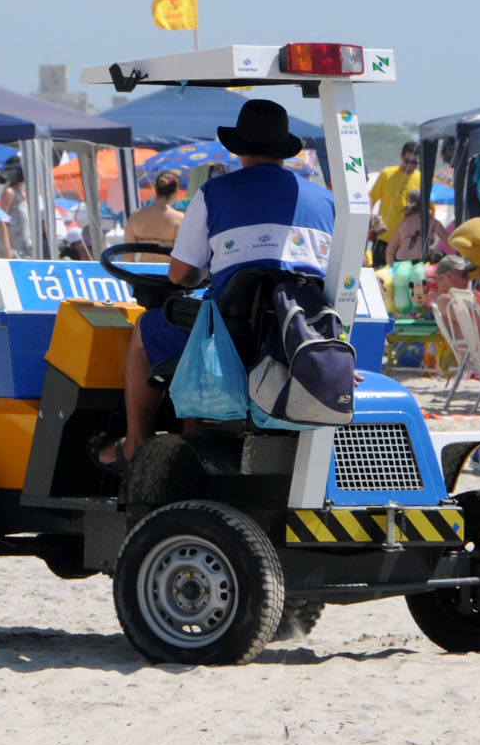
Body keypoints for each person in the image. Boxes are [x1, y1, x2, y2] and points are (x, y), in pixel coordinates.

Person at [94, 99, 341, 471]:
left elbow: (180, 276)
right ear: (283, 149)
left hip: (233, 340)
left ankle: (135, 445)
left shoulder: (216, 193)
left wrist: (206, 271)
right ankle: (194, 439)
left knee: (147, 329)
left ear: (238, 148)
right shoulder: (328, 201)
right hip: (299, 337)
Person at [368, 141, 422, 265]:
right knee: (380, 278)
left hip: (408, 242)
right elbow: (371, 199)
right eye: (407, 161)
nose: (411, 165)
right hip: (384, 238)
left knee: (406, 282)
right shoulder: (387, 174)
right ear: (401, 157)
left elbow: (429, 209)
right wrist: (375, 223)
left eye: (415, 163)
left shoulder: (421, 178)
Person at [123, 171, 184, 263]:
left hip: (142, 272)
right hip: (166, 273)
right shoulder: (179, 219)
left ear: (156, 190)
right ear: (176, 192)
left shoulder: (136, 216)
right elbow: (182, 257)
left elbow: (127, 256)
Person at [385, 188, 449, 265]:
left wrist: (392, 269)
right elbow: (449, 240)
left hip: (401, 261)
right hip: (420, 259)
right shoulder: (430, 220)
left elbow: (389, 252)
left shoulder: (403, 223)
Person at [0, 164, 29, 259]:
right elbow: (2, 220)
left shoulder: (22, 193)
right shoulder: (9, 192)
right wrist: (7, 248)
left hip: (22, 246)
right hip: (11, 246)